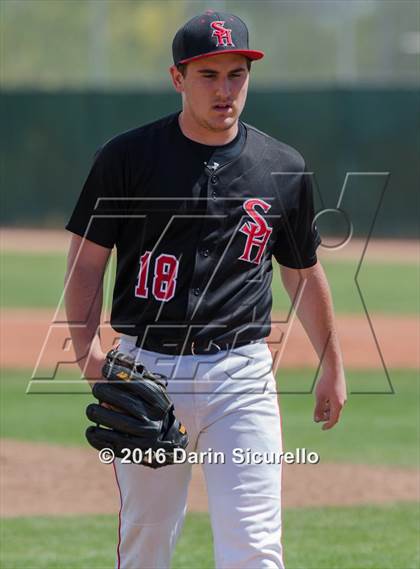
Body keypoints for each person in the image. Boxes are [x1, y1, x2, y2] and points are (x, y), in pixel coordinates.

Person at [64, 10, 347, 569]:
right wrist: (88, 357)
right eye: (208, 75)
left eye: (236, 74)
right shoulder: (127, 158)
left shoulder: (283, 168)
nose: (225, 90)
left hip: (240, 375)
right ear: (178, 79)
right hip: (146, 372)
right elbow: (87, 262)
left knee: (255, 548)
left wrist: (331, 364)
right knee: (145, 546)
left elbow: (302, 270)